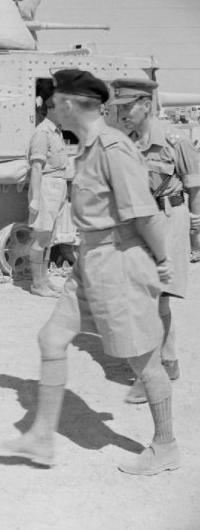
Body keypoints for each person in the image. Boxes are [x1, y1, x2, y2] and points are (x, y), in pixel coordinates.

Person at [0, 70, 178, 475]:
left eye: (55, 100)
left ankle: (165, 445)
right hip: (90, 257)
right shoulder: (87, 146)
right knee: (52, 337)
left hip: (117, 257)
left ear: (73, 104)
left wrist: (161, 261)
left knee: (143, 362)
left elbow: (145, 215)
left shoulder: (113, 148)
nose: (49, 106)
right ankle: (41, 439)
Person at [109, 77, 200, 403]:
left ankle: (156, 369)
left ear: (146, 105)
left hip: (168, 219)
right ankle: (168, 360)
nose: (122, 114)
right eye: (118, 108)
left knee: (154, 296)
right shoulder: (127, 142)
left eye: (127, 107)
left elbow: (195, 189)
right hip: (139, 221)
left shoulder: (176, 141)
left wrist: (195, 231)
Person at [27, 95, 69, 297]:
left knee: (49, 237)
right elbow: (36, 167)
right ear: (52, 110)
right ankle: (37, 285)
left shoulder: (55, 132)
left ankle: (45, 280)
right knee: (42, 237)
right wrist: (35, 198)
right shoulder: (42, 133)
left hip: (57, 185)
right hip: (47, 186)